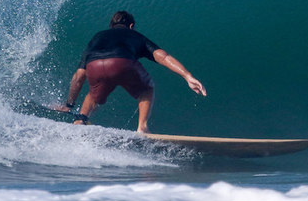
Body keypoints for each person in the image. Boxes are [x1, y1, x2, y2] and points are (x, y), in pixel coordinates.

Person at [55, 10, 206, 134]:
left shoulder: (97, 37)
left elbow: (79, 76)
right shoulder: (134, 35)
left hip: (95, 65)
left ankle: (80, 121)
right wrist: (188, 76)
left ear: (111, 26)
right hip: (122, 63)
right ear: (131, 26)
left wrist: (69, 104)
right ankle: (142, 127)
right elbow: (163, 57)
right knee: (147, 88)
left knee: (93, 94)